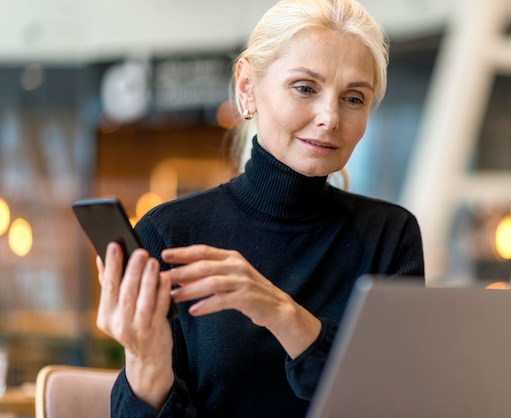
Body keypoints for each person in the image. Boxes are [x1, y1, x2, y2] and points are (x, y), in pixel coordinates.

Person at [95, 0, 425, 416]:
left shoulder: (390, 236)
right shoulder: (169, 235)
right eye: (305, 88)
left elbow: (394, 401)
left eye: (354, 98)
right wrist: (146, 363)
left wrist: (281, 313)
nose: (330, 117)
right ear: (247, 88)